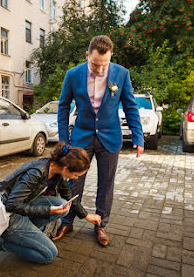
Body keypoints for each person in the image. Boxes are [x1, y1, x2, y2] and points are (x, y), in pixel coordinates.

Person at [55, 35, 144, 247]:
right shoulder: (73, 74)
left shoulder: (121, 74)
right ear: (87, 56)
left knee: (106, 184)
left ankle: (100, 224)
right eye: (96, 64)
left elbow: (131, 106)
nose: (101, 70)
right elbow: (63, 106)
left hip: (110, 138)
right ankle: (67, 221)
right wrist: (63, 140)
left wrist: (138, 136)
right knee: (74, 181)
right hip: (81, 137)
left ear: (110, 58)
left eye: (105, 64)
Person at [0, 142, 101, 265]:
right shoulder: (36, 172)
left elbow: (68, 195)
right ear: (66, 168)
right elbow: (11, 205)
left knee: (63, 204)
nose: (75, 178)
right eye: (75, 175)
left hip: (22, 206)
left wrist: (86, 216)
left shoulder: (55, 169)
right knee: (49, 254)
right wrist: (49, 211)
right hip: (7, 215)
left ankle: (24, 234)